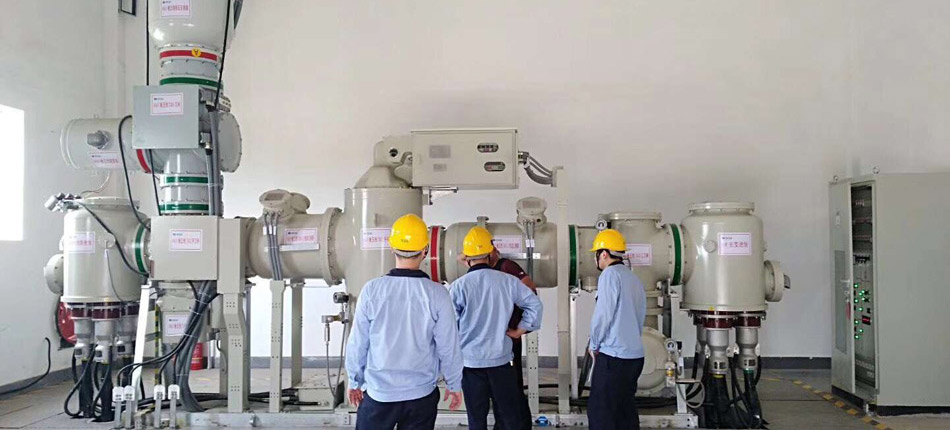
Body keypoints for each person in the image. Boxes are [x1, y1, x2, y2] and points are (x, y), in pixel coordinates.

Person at [345, 214, 464, 430]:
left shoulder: (372, 290)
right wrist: (454, 384)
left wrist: (354, 381)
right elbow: (449, 346)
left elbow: (358, 343)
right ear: (425, 250)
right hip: (421, 394)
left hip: (379, 394)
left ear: (392, 248)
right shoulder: (438, 293)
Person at [449, 226, 543, 430]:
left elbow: (450, 327)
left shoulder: (458, 286)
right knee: (509, 417)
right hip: (501, 362)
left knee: (476, 419)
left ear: (467, 257)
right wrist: (520, 330)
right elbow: (534, 304)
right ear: (491, 252)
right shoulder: (508, 281)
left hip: (470, 365)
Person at [586, 229, 647, 430]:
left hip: (613, 357)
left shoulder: (609, 275)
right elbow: (640, 316)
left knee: (601, 414)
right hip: (634, 357)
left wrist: (594, 344)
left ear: (603, 254)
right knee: (624, 412)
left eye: (596, 254)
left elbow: (603, 315)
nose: (595, 259)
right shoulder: (633, 278)